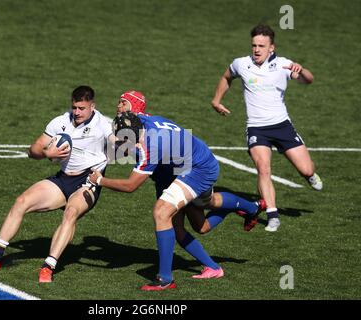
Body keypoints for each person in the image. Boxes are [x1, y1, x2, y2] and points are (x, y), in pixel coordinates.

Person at [89, 97, 265, 291]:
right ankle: (216, 263)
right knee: (198, 226)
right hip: (174, 169)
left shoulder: (151, 147)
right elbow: (129, 130)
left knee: (162, 213)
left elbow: (131, 185)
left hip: (198, 168)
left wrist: (99, 180)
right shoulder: (140, 120)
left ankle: (165, 279)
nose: (125, 145)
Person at [0, 85, 114, 283]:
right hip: (63, 179)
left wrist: (131, 144)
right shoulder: (61, 121)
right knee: (22, 201)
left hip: (87, 182)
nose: (77, 112)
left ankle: (48, 267)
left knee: (70, 213)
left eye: (82, 108)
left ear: (92, 106)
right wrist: (47, 153)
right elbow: (33, 149)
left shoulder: (104, 125)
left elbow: (122, 147)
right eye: (74, 107)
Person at [211, 24, 323, 232]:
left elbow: (309, 80)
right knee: (263, 168)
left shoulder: (283, 65)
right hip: (256, 128)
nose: (256, 49)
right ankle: (272, 215)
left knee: (306, 168)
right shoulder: (241, 64)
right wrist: (216, 100)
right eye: (254, 45)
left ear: (272, 47)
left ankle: (309, 176)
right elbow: (227, 77)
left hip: (282, 126)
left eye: (261, 46)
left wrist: (302, 70)